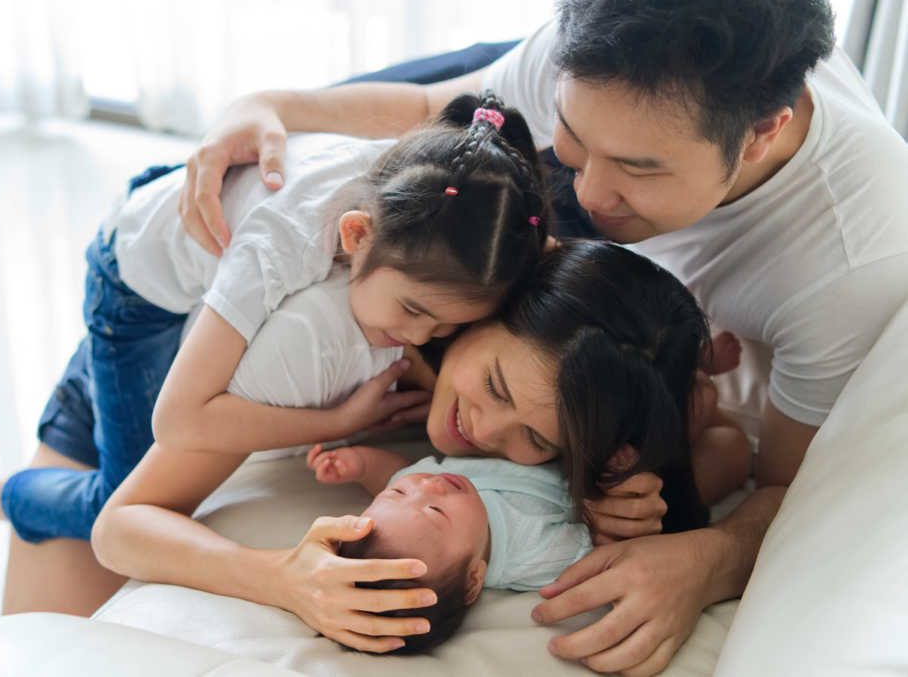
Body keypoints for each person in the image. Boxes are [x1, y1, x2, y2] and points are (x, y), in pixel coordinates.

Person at [174, 0, 908, 672]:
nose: (586, 192)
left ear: (761, 134)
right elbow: (433, 107)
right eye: (574, 138)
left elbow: (780, 482)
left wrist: (707, 559)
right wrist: (267, 102)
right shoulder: (597, 57)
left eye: (638, 168)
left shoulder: (848, 268)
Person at [0, 91, 554, 612]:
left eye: (444, 329)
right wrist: (336, 420)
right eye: (412, 313)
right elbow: (177, 420)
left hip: (212, 219)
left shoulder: (442, 198)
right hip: (133, 281)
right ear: (356, 235)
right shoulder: (278, 247)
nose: (418, 341)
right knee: (113, 493)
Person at [92, 240, 745, 653]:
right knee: (85, 504)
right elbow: (119, 526)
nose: (485, 433)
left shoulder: (587, 383)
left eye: (536, 438)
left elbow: (727, 442)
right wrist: (283, 577)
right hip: (151, 322)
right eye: (494, 385)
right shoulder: (322, 345)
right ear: (495, 304)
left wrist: (622, 499)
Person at [310, 445, 594, 654]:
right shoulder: (532, 552)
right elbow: (600, 541)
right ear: (473, 579)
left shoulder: (425, 490)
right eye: (436, 510)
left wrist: (364, 466)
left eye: (397, 492)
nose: (428, 484)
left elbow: (399, 472)